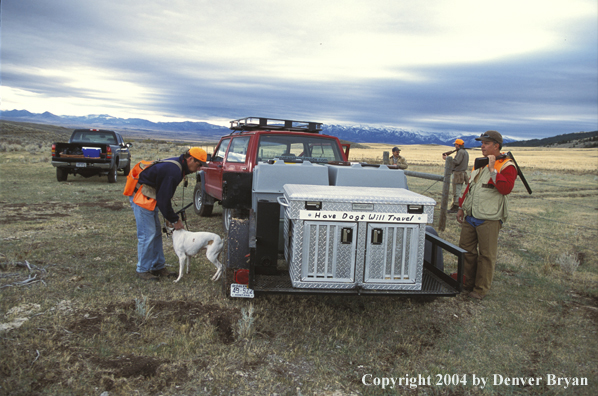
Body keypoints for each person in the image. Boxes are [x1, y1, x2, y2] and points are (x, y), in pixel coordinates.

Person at [130, 148, 207, 281]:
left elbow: (163, 197)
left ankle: (157, 267)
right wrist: (175, 219)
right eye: (199, 164)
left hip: (149, 196)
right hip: (141, 196)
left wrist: (171, 216)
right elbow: (163, 199)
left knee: (156, 232)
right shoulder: (174, 171)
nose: (199, 168)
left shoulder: (178, 166)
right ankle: (142, 269)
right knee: (147, 234)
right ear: (190, 159)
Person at [456, 131, 517, 299]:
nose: (482, 145)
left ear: (496, 146)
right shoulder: (479, 163)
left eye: (486, 143)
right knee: (466, 251)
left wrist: (492, 170)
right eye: (482, 142)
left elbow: (506, 189)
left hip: (489, 218)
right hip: (471, 215)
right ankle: (466, 283)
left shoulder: (507, 166)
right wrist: (461, 207)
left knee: (486, 256)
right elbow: (470, 187)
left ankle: (480, 289)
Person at [443, 138, 469, 213]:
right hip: (461, 173)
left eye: (455, 144)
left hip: (458, 174)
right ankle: (457, 206)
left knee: (456, 192)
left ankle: (456, 207)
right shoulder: (464, 151)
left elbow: (456, 162)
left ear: (458, 145)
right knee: (458, 191)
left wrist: (447, 158)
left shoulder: (460, 152)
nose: (455, 146)